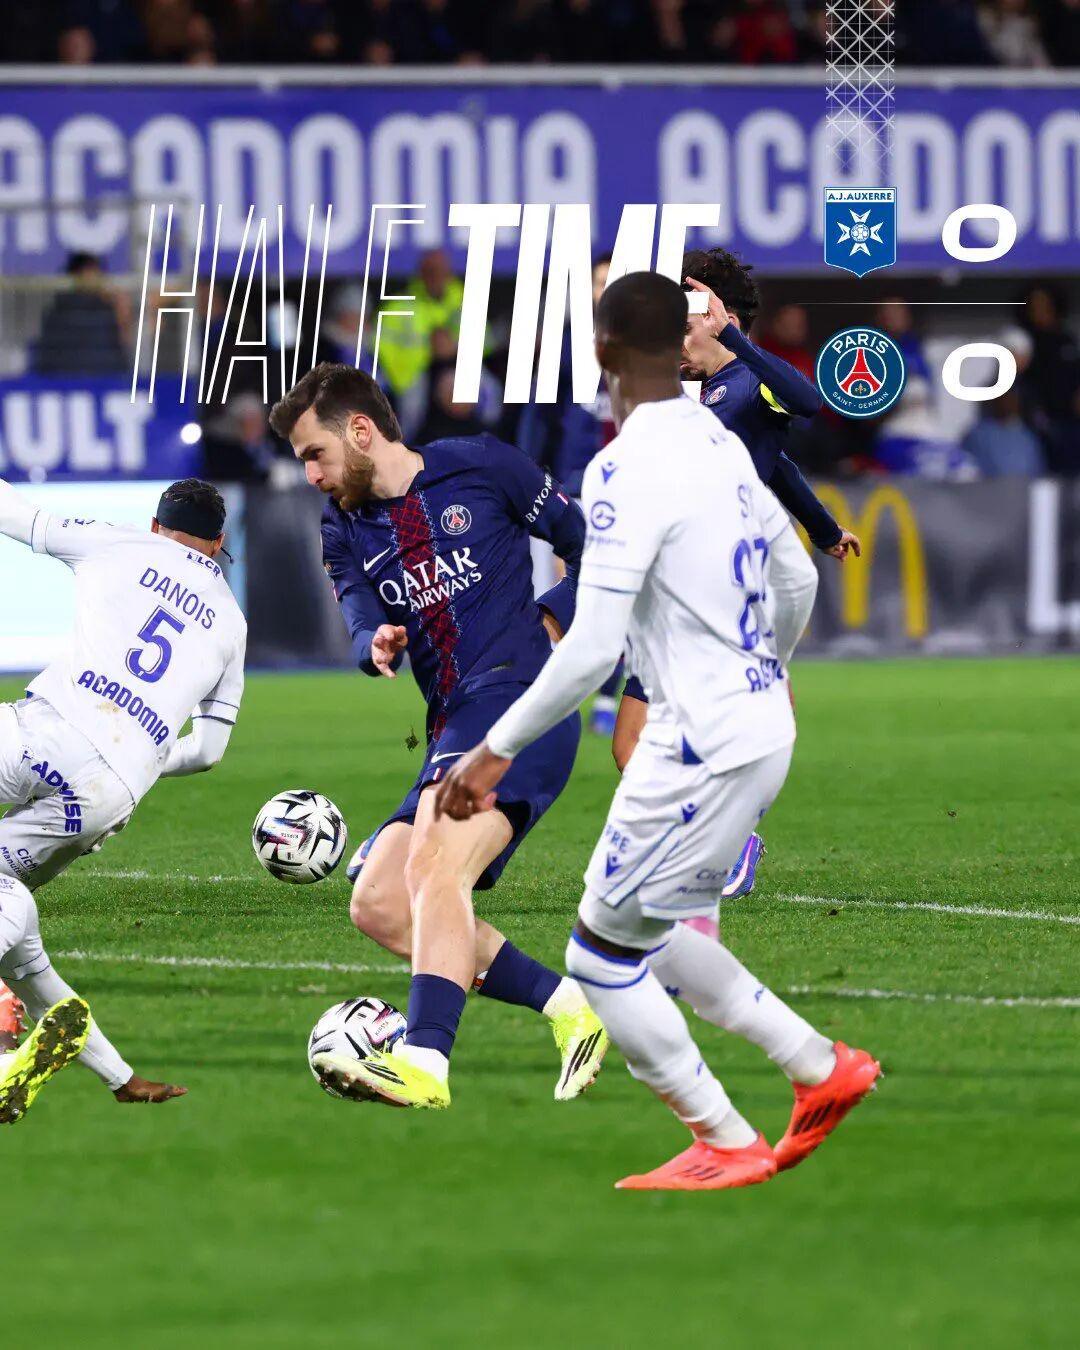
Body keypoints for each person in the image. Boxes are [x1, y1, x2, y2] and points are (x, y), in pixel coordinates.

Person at [435, 272, 880, 1191]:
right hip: (758, 726)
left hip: (696, 743)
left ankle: (724, 1138)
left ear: (601, 351)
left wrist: (491, 751)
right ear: (679, 345)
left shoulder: (624, 467)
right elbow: (797, 578)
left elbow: (593, 647)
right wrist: (768, 666)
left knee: (596, 956)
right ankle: (819, 1066)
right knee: (650, 927)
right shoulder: (719, 441)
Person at [268, 363, 608, 1110]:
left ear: (361, 431)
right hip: (453, 724)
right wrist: (372, 644)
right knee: (381, 902)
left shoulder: (482, 464)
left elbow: (598, 548)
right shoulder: (342, 528)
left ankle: (424, 1061)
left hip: (521, 705)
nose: (311, 475)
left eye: (315, 453)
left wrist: (556, 612)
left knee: (433, 865)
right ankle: (571, 1007)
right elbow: (357, 614)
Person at [610, 249, 862, 927]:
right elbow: (774, 466)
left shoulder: (751, 382)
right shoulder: (700, 399)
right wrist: (823, 526)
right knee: (629, 746)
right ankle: (710, 837)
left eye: (683, 324)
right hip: (679, 586)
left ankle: (728, 839)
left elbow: (810, 403)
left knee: (740, 715)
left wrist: (736, 340)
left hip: (732, 584)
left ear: (715, 318)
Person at [0, 477, 247, 1120]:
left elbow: (20, 517)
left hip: (44, 730)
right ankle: (101, 1071)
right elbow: (208, 750)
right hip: (108, 793)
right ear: (219, 542)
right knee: (10, 904)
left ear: (158, 524)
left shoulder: (121, 542)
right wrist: (137, 758)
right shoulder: (232, 622)